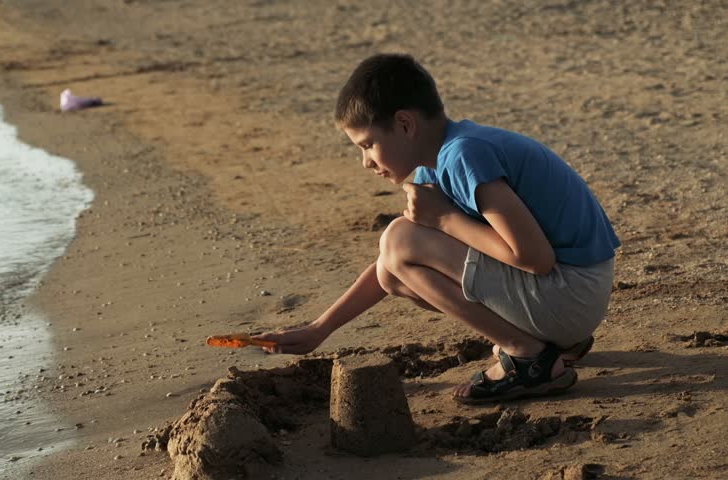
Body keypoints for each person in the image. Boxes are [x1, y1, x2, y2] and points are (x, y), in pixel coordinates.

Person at [253, 53, 620, 404]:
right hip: (573, 298)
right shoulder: (440, 159)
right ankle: (552, 344)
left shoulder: (464, 155)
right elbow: (388, 267)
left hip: (572, 296)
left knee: (400, 238)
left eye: (368, 145)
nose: (365, 162)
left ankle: (529, 356)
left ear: (405, 124)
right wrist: (320, 329)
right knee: (393, 272)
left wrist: (444, 219)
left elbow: (535, 258)